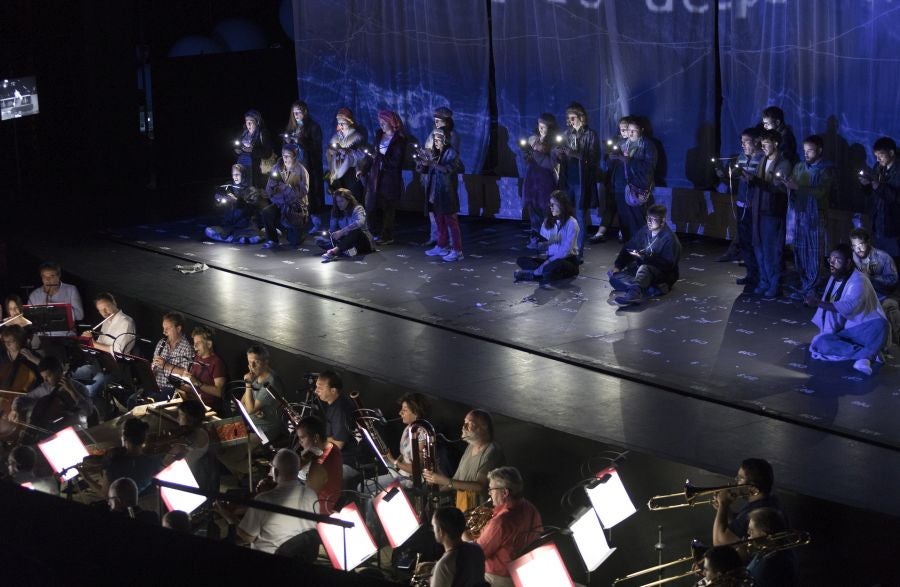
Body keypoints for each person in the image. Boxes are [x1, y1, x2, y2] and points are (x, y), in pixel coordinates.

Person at [806, 243, 889, 376]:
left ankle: (864, 354)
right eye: (831, 259)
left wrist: (818, 303)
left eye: (837, 260)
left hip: (861, 329)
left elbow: (850, 306)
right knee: (821, 343)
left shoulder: (859, 280)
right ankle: (866, 356)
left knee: (881, 325)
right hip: (843, 332)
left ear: (848, 263)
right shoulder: (834, 277)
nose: (832, 263)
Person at [466, 467, 542, 586]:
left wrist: (463, 534)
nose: (489, 493)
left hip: (498, 578)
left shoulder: (500, 522)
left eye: (491, 489)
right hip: (523, 572)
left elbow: (477, 554)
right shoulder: (530, 508)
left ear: (505, 492)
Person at [235, 448, 318, 553]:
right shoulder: (311, 494)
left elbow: (248, 536)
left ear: (276, 471)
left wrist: (228, 516)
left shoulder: (263, 499)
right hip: (303, 554)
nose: (270, 471)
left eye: (271, 467)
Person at [783, 135, 835, 300]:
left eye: (810, 150)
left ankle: (813, 287)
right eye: (804, 150)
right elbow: (793, 187)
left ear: (819, 150)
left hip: (815, 216)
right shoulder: (799, 167)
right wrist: (787, 185)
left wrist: (798, 187)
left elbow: (821, 192)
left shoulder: (825, 170)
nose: (806, 154)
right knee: (799, 251)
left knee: (814, 253)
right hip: (799, 214)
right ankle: (804, 283)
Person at [424, 409, 504, 512]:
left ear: (483, 427)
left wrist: (444, 481)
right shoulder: (470, 447)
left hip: (480, 515)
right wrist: (434, 494)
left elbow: (480, 486)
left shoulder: (492, 451)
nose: (463, 427)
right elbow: (456, 481)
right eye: (464, 423)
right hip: (464, 511)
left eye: (469, 424)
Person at [608, 204, 681, 306]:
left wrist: (644, 257)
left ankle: (634, 293)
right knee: (615, 277)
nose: (649, 222)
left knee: (644, 268)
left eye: (653, 219)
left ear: (663, 221)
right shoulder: (645, 230)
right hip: (643, 269)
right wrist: (618, 266)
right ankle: (648, 288)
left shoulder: (669, 238)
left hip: (662, 274)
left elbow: (668, 265)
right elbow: (629, 246)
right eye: (648, 218)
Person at [553, 102, 600, 260]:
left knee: (580, 216)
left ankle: (578, 252)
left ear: (581, 117)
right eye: (568, 118)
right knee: (564, 214)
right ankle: (563, 248)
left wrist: (577, 155)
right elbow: (560, 156)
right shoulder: (567, 134)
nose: (570, 121)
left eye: (573, 118)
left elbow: (594, 159)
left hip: (582, 181)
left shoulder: (590, 135)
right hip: (568, 180)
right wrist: (559, 154)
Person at [750, 130, 793, 298]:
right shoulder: (763, 160)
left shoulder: (783, 163)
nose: (763, 146)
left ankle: (774, 284)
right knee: (758, 247)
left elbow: (778, 188)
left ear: (775, 143)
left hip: (772, 212)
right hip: (758, 210)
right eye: (762, 143)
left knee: (772, 250)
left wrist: (757, 181)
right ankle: (764, 281)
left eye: (766, 143)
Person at [75, 292, 136, 398]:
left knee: (89, 390)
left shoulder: (126, 322)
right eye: (100, 310)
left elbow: (117, 351)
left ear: (114, 303)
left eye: (106, 308)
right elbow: (98, 346)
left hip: (116, 369)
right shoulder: (106, 322)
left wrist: (93, 342)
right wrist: (87, 341)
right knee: (73, 376)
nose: (104, 313)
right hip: (101, 365)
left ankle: (94, 411)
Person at [712, 458, 785, 547]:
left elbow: (719, 543)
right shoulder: (767, 501)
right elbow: (739, 528)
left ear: (753, 488)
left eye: (740, 478)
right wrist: (725, 510)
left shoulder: (759, 511)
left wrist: (723, 504)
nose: (736, 480)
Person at [608, 117, 658, 247]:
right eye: (628, 130)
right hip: (621, 185)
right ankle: (629, 250)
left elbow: (649, 167)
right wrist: (613, 158)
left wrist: (628, 160)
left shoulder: (647, 145)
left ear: (641, 130)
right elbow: (615, 164)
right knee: (624, 221)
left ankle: (641, 249)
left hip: (637, 187)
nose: (630, 134)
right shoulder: (623, 144)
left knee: (637, 220)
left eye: (634, 131)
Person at [362, 110, 408, 245]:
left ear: (391, 122)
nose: (381, 125)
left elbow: (396, 162)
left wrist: (380, 158)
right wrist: (363, 169)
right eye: (380, 122)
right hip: (376, 177)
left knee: (388, 208)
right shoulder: (378, 135)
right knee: (370, 205)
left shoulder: (399, 140)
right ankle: (373, 232)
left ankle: (387, 235)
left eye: (384, 122)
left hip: (390, 178)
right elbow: (374, 155)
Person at [418, 128, 464, 262]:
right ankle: (441, 245)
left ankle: (457, 250)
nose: (436, 143)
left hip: (447, 192)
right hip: (436, 192)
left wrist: (432, 163)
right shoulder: (436, 153)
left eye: (438, 140)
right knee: (439, 221)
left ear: (445, 140)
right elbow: (428, 170)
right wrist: (421, 164)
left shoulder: (451, 153)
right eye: (435, 140)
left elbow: (447, 169)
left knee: (451, 222)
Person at [514, 190, 579, 284]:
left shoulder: (572, 223)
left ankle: (535, 273)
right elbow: (543, 246)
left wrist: (547, 262)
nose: (551, 207)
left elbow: (566, 251)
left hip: (566, 261)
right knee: (521, 260)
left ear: (562, 205)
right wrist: (535, 244)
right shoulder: (547, 222)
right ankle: (542, 272)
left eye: (554, 204)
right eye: (550, 204)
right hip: (550, 260)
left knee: (554, 265)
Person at [850, 227, 900, 344]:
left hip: (883, 296)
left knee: (890, 307)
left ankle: (895, 339)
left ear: (868, 242)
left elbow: (893, 280)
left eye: (861, 244)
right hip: (860, 297)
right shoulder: (851, 258)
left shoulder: (883, 257)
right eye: (855, 245)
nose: (858, 249)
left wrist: (871, 278)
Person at [283, 101, 325, 234]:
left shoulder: (313, 127)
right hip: (295, 166)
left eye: (299, 112)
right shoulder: (292, 128)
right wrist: (288, 142)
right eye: (294, 113)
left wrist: (302, 141)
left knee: (311, 193)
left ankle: (316, 222)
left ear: (305, 112)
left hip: (310, 166)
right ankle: (299, 221)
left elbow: (317, 148)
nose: (296, 115)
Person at [423, 107, 462, 248]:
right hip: (434, 175)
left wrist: (434, 162)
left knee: (447, 209)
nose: (437, 123)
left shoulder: (453, 137)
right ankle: (437, 238)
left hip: (445, 178)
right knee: (434, 208)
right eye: (435, 121)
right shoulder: (434, 132)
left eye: (439, 121)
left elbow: (450, 160)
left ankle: (453, 242)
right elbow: (428, 148)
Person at [417, 506, 486, 587]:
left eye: (434, 526)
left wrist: (434, 576)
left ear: (440, 531)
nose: (433, 530)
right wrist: (435, 565)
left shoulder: (444, 565)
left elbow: (449, 565)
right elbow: (462, 567)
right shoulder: (477, 549)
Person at [313, 370, 360, 484]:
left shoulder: (340, 411)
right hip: (337, 458)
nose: (316, 391)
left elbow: (337, 445)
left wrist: (316, 445)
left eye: (321, 388)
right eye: (316, 387)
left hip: (347, 462)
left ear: (333, 390)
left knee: (314, 478)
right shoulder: (334, 403)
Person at [521, 114, 560, 250]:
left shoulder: (555, 142)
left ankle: (549, 240)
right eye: (540, 126)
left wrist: (546, 139)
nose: (542, 128)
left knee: (547, 209)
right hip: (533, 177)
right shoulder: (533, 138)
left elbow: (549, 157)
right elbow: (538, 147)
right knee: (533, 207)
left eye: (545, 126)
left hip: (546, 178)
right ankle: (535, 237)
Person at [167, 325, 226, 413]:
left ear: (209, 344)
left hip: (209, 408)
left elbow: (220, 392)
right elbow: (193, 387)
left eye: (198, 343)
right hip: (194, 404)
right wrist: (179, 384)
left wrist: (198, 383)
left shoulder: (217, 363)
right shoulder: (196, 359)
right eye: (194, 343)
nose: (194, 346)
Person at [261, 143, 310, 249]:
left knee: (294, 242)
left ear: (295, 156)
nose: (285, 158)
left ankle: (298, 232)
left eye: (288, 155)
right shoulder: (276, 168)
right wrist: (276, 196)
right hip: (280, 203)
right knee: (266, 212)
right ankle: (272, 239)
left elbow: (304, 191)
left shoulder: (301, 170)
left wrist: (287, 189)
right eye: (283, 155)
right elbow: (269, 189)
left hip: (295, 206)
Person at [27, 356, 93, 434]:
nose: (45, 381)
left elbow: (88, 410)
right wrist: (15, 409)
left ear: (58, 371)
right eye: (43, 377)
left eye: (48, 376)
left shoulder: (79, 387)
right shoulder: (44, 388)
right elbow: (25, 399)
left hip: (74, 430)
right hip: (49, 431)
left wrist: (72, 391)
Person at [591, 116, 631, 244]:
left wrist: (622, 157)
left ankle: (623, 231)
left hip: (627, 182)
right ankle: (601, 232)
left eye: (625, 129)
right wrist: (611, 157)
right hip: (613, 180)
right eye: (621, 129)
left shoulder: (634, 142)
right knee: (610, 207)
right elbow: (608, 163)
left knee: (624, 208)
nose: (623, 132)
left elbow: (635, 163)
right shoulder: (616, 141)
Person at [859, 136, 900, 258]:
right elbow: (873, 192)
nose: (877, 159)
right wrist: (866, 185)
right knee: (879, 260)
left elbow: (896, 197)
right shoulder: (878, 167)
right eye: (876, 155)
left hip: (894, 227)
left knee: (893, 261)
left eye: (880, 155)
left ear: (891, 153)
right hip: (878, 224)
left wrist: (878, 187)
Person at [205, 163, 264, 244]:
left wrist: (236, 201)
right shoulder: (228, 187)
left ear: (243, 175)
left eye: (237, 174)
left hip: (245, 225)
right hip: (230, 224)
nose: (235, 177)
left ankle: (238, 238)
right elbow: (220, 209)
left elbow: (250, 210)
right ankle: (236, 238)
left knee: (255, 238)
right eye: (233, 175)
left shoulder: (251, 190)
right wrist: (218, 200)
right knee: (209, 231)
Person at [295, 415, 342, 514]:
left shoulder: (319, 467)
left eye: (302, 438)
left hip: (320, 510)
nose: (300, 442)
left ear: (316, 437)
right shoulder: (331, 447)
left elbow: (307, 498)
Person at [240, 344, 285, 443]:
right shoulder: (256, 374)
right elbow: (243, 402)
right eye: (249, 362)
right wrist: (254, 410)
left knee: (238, 443)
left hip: (266, 431)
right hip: (252, 424)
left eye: (256, 362)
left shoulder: (270, 383)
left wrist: (248, 384)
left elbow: (250, 410)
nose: (252, 366)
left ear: (266, 362)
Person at [27, 261, 84, 335]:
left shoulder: (71, 290)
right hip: (44, 339)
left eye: (51, 276)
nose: (47, 280)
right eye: (44, 277)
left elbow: (80, 315)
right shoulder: (34, 295)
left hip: (66, 337)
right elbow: (30, 320)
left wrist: (58, 308)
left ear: (59, 275)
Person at [746, 508, 799, 587]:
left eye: (751, 531)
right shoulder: (767, 551)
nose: (748, 534)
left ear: (765, 535)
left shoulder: (772, 563)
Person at [149, 312, 194, 403]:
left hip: (172, 389)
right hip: (155, 386)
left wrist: (166, 365)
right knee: (133, 399)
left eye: (167, 329)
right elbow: (154, 364)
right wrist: (150, 372)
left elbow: (186, 374)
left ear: (178, 328)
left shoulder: (187, 348)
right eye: (163, 328)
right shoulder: (162, 343)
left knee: (147, 402)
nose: (164, 332)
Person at [161, 400, 210, 484]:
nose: (177, 419)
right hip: (181, 471)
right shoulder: (200, 431)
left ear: (191, 419)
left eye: (180, 415)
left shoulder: (196, 437)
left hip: (180, 477)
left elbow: (166, 462)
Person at [319, 188, 375, 261]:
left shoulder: (357, 208)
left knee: (355, 231)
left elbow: (360, 222)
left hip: (363, 241)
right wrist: (333, 233)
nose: (339, 204)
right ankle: (346, 250)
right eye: (337, 201)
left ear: (348, 200)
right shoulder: (337, 211)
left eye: (342, 201)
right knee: (320, 240)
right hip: (348, 240)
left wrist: (342, 232)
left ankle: (334, 251)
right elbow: (333, 229)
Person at [326, 107, 365, 202]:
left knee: (352, 197)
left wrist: (349, 152)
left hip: (351, 172)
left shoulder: (357, 136)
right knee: (340, 198)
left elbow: (362, 154)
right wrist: (331, 151)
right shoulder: (336, 137)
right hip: (338, 169)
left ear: (349, 121)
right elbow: (329, 150)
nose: (340, 125)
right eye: (339, 123)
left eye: (342, 122)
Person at [233, 109, 273, 188]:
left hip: (254, 169)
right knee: (243, 189)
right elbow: (237, 148)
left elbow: (268, 153)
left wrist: (252, 150)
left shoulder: (262, 133)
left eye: (251, 121)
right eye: (246, 121)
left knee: (253, 191)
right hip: (241, 167)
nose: (248, 123)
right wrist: (237, 151)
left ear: (257, 121)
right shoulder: (244, 133)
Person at [0, 324, 41, 390]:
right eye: (5, 341)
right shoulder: (2, 356)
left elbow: (47, 370)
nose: (7, 344)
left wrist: (33, 359)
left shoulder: (30, 355)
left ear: (19, 340)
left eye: (11, 341)